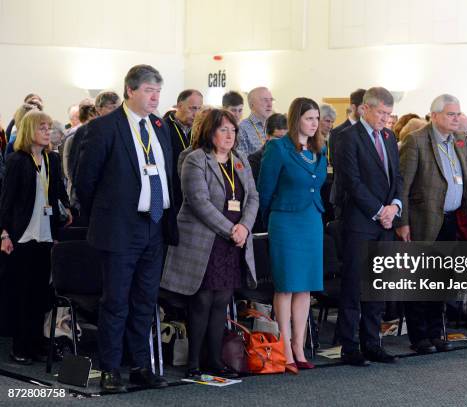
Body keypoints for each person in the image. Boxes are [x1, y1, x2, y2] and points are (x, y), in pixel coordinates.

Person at [76, 64, 178, 393]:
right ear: (130, 90)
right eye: (149, 91)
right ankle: (110, 369)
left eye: (158, 92)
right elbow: (85, 182)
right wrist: (105, 216)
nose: (155, 97)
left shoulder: (160, 126)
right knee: (116, 301)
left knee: (146, 301)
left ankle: (140, 366)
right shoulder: (105, 128)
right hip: (119, 227)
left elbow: (166, 173)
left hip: (154, 226)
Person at [161, 109, 258, 379]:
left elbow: (253, 198)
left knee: (222, 301)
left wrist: (245, 228)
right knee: (202, 301)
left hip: (233, 242)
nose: (229, 135)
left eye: (233, 130)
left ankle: (214, 360)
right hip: (205, 241)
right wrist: (231, 229)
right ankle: (194, 362)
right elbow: (198, 202)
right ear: (210, 132)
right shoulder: (195, 159)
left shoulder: (240, 161)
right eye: (223, 130)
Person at [396, 94, 467, 354]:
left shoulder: (458, 142)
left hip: (450, 220)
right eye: (451, 114)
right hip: (423, 221)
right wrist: (403, 222)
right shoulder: (416, 140)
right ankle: (419, 336)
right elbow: (404, 186)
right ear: (435, 115)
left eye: (458, 114)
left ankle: (436, 332)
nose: (457, 119)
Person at [258, 97, 327, 373]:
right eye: (309, 118)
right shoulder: (278, 148)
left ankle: (300, 346)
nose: (314, 123)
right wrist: (269, 220)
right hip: (285, 220)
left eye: (316, 118)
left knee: (305, 287)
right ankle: (284, 347)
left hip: (311, 220)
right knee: (286, 286)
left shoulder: (318, 150)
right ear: (296, 118)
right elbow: (264, 190)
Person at [335, 87, 403, 366]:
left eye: (389, 114)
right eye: (381, 113)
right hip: (360, 222)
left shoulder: (389, 137)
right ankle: (350, 346)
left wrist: (395, 207)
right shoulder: (347, 138)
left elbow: (397, 177)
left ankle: (373, 343)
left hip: (385, 222)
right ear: (365, 109)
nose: (386, 119)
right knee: (354, 286)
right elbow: (351, 181)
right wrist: (378, 211)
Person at [0, 110, 71, 364]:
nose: (47, 132)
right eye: (42, 127)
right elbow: (6, 200)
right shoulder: (18, 160)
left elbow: (58, 193)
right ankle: (20, 346)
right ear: (30, 130)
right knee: (22, 294)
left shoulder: (51, 158)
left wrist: (65, 211)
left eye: (49, 127)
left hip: (45, 235)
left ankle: (37, 343)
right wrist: (4, 233)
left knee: (41, 295)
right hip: (21, 236)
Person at [164, 89, 204, 208]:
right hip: (172, 189)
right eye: (192, 108)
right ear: (179, 106)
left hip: (194, 189)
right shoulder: (163, 127)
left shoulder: (200, 130)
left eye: (199, 109)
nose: (196, 114)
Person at [328, 88, 365, 167]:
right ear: (353, 107)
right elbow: (336, 163)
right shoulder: (337, 133)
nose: (367, 112)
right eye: (363, 108)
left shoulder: (370, 131)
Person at [248, 112, 287, 185]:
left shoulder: (293, 156)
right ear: (267, 135)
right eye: (278, 138)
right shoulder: (254, 159)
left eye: (286, 138)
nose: (282, 143)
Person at [237, 87, 274, 155]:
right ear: (252, 105)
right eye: (265, 100)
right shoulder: (242, 128)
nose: (270, 105)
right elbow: (242, 161)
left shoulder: (275, 125)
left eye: (271, 100)